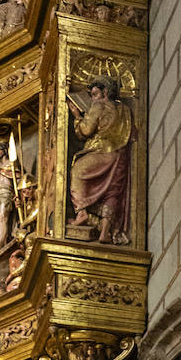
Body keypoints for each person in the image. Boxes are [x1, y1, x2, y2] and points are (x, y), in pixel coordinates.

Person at [67, 77, 133, 244]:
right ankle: (105, 232)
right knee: (112, 191)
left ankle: (81, 211)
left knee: (77, 172)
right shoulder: (125, 109)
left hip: (101, 151)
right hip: (120, 154)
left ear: (105, 92)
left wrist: (76, 115)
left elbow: (86, 129)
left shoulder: (98, 106)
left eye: (95, 93)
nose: (93, 98)